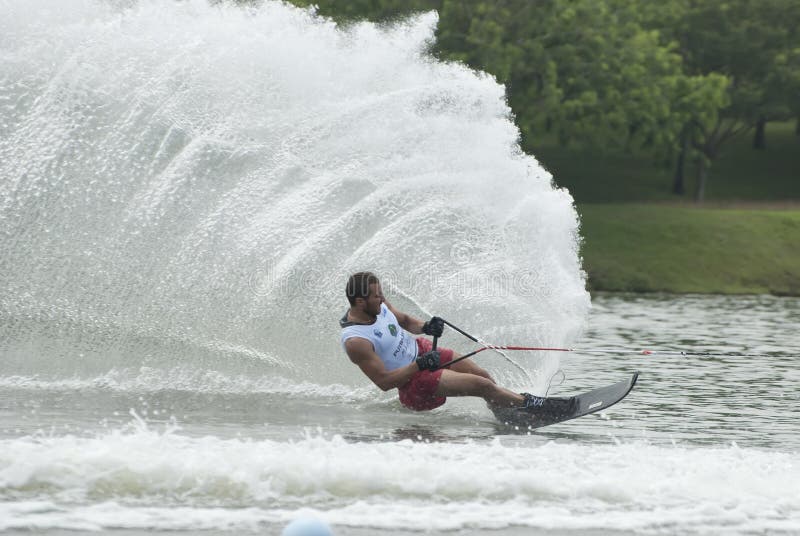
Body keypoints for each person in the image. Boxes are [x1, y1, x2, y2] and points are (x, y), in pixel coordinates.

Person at [339, 271, 539, 411]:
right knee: (482, 385)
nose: (382, 299)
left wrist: (426, 326)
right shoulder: (356, 341)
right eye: (377, 296)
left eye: (381, 294)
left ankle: (508, 413)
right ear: (359, 302)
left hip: (423, 352)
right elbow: (384, 382)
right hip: (412, 381)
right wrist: (419, 365)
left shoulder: (378, 305)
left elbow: (406, 321)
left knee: (483, 375)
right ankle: (530, 406)